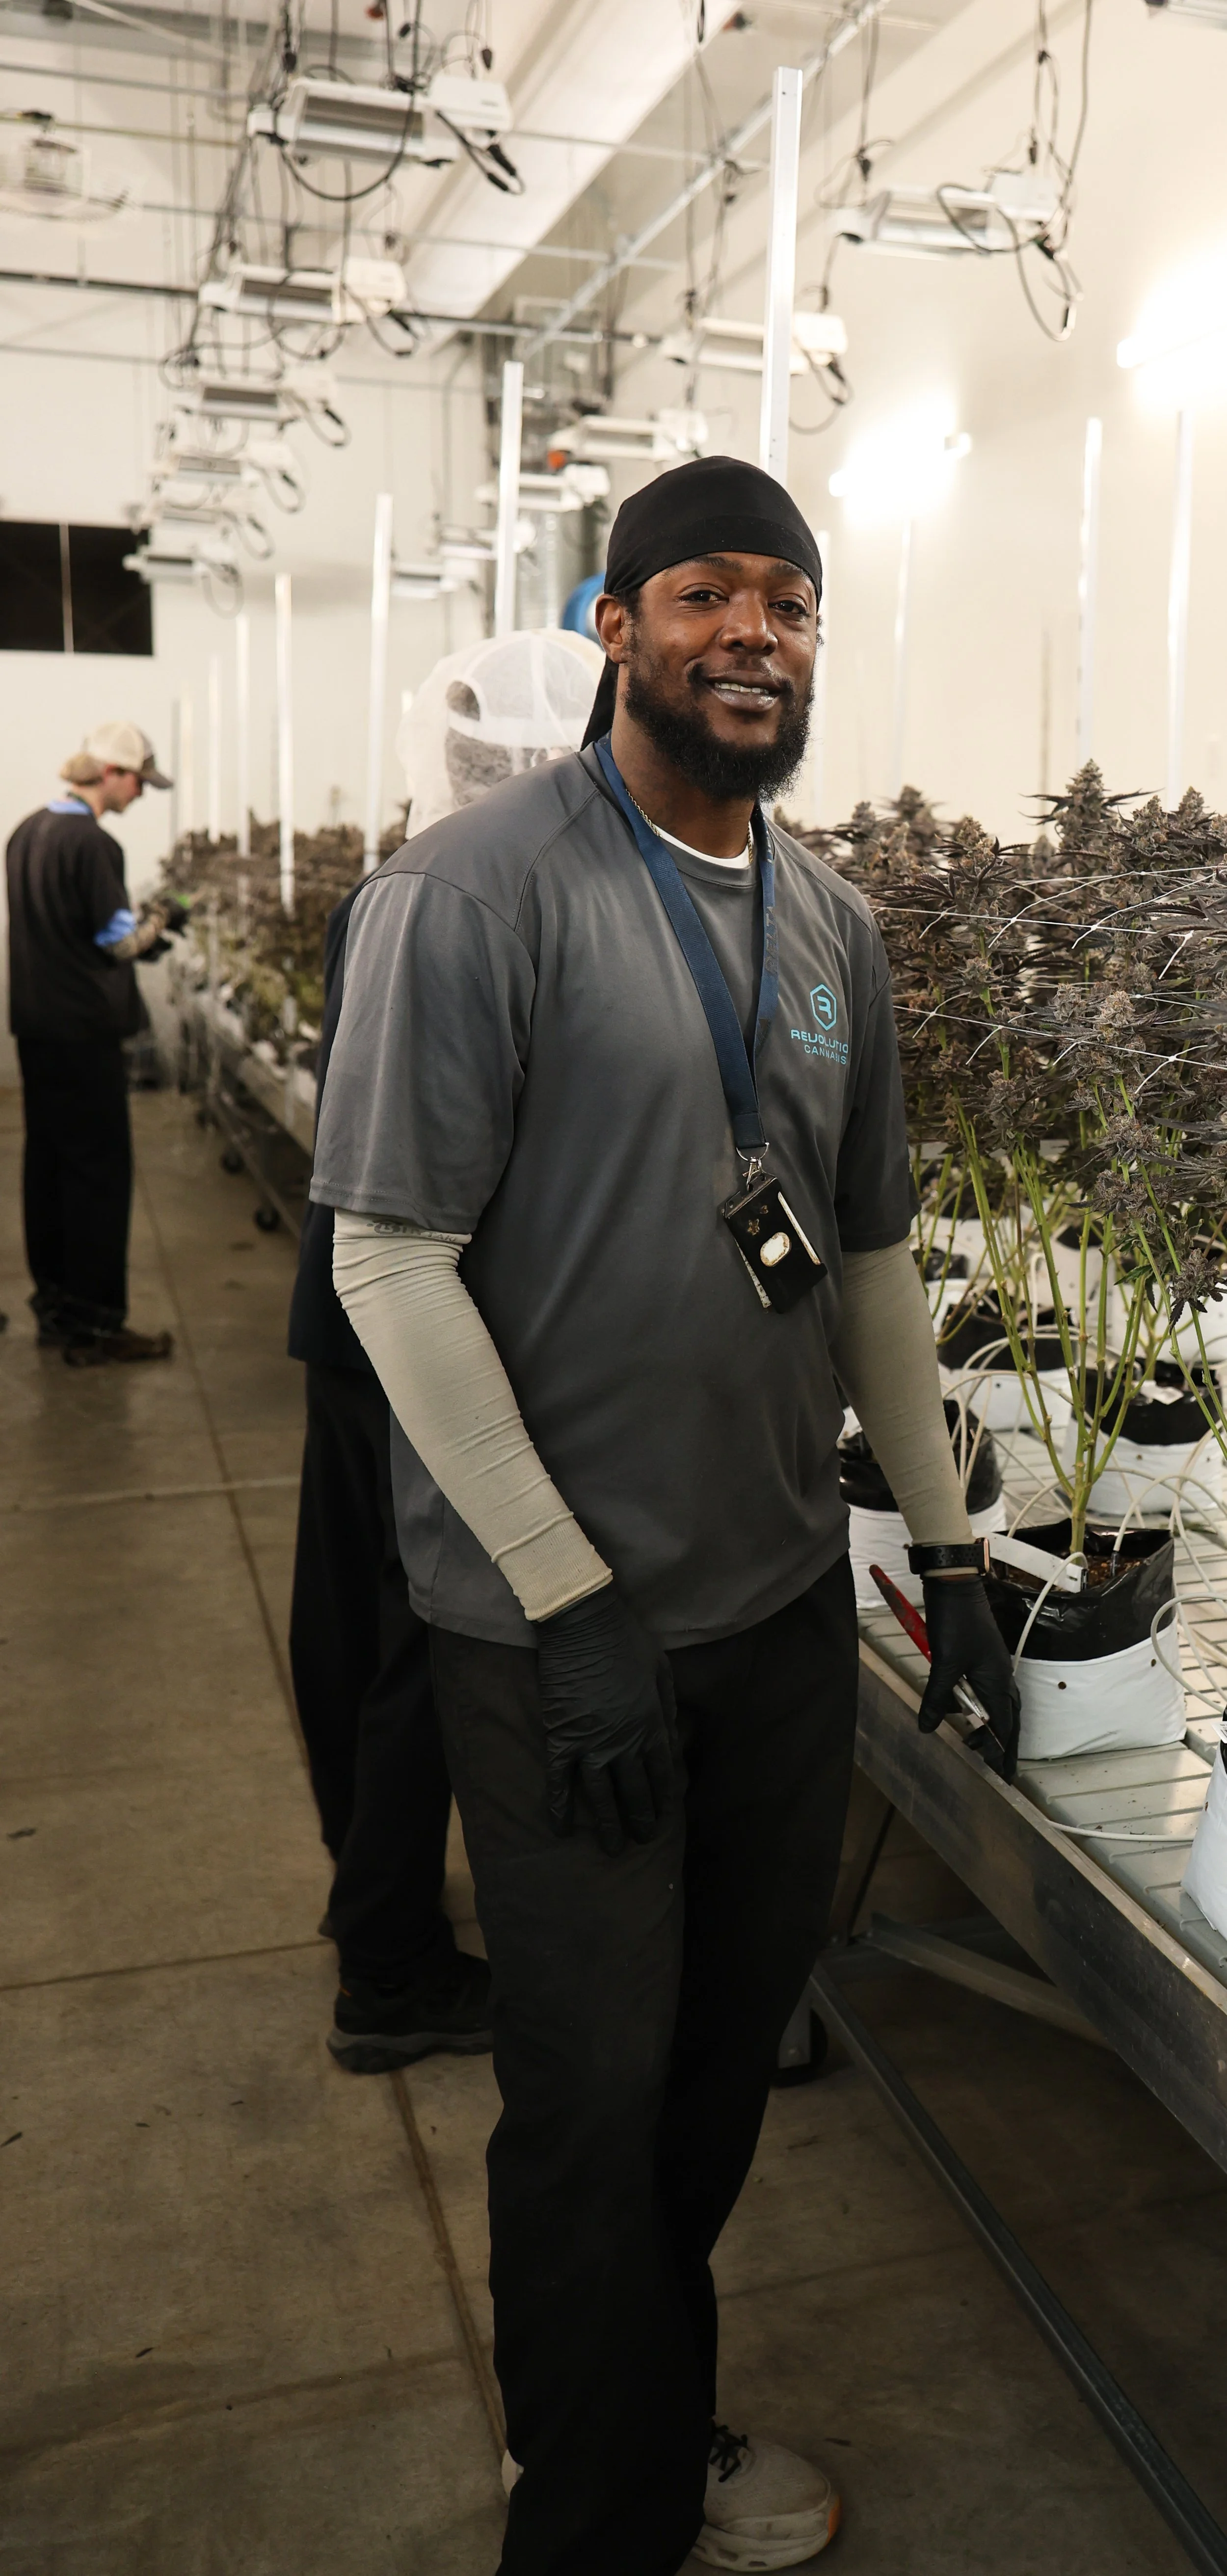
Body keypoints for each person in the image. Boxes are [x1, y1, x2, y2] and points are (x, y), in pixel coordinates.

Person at [311, 457, 1020, 2576]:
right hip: (559, 1648)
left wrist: (956, 1553)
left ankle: (647, 2413)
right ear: (613, 626)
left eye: (788, 603)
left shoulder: (831, 926)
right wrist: (564, 1599)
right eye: (705, 592)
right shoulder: (472, 893)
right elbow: (389, 1266)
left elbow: (871, 1258)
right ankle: (588, 2511)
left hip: (781, 1612)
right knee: (592, 2101)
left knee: (714, 2082)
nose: (754, 634)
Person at [288, 630, 601, 2075]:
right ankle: (391, 1967)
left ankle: (375, 1896)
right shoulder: (454, 898)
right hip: (410, 1327)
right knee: (421, 1646)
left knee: (360, 1632)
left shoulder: (391, 889)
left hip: (353, 1326)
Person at [6, 721, 181, 1365]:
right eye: (139, 781)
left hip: (38, 1028)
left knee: (49, 1168)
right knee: (99, 1177)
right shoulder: (92, 844)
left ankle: (55, 1305)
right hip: (85, 1034)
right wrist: (164, 919)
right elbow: (117, 941)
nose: (140, 794)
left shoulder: (26, 832)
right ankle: (96, 1325)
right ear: (110, 774)